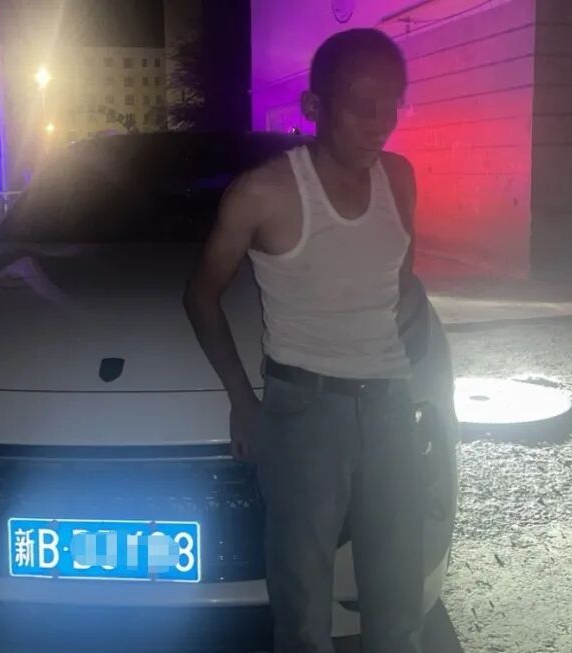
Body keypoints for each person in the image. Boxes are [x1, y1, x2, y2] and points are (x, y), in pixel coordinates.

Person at [182, 28, 428, 653]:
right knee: (302, 606)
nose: (382, 123)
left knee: (398, 597)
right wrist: (243, 400)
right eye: (364, 105)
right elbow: (200, 296)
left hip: (390, 405)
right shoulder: (263, 192)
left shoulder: (400, 178)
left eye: (394, 104)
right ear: (315, 106)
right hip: (305, 413)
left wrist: (412, 376)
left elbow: (401, 285)